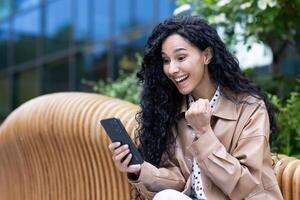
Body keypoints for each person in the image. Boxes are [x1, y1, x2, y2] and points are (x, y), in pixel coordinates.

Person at [108, 15, 283, 200]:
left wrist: (204, 132)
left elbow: (244, 187)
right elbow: (181, 181)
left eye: (181, 57)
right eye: (166, 60)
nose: (172, 69)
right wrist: (139, 170)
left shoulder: (249, 107)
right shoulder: (177, 109)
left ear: (206, 56)